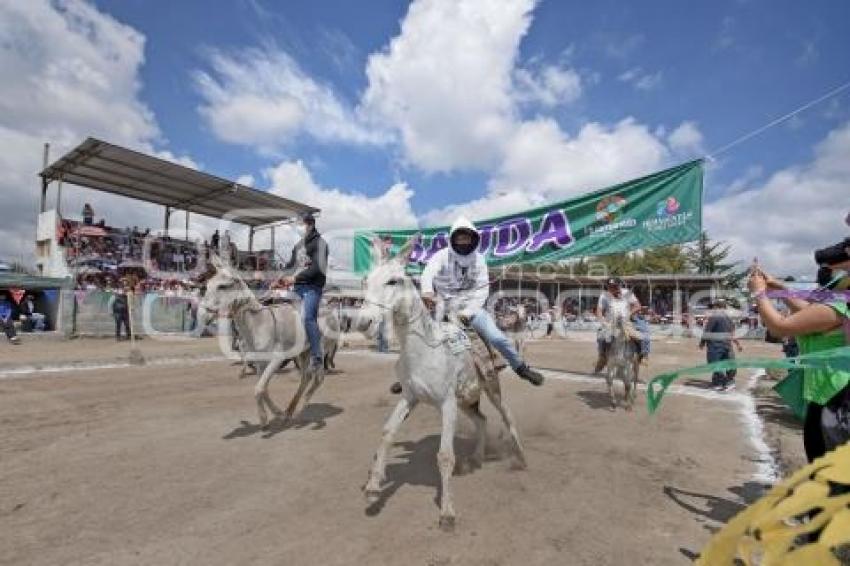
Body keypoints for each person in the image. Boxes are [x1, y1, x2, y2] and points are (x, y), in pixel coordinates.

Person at [749, 236, 850, 462]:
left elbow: (779, 328)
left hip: (834, 396)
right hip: (830, 390)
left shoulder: (840, 304)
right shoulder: (839, 301)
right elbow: (809, 310)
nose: (825, 274)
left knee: (825, 467)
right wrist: (781, 289)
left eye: (829, 268)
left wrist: (759, 294)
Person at [419, 217, 544, 386]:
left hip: (472, 308)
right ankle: (410, 377)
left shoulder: (479, 259)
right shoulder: (441, 256)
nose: (463, 242)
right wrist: (427, 290)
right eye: (459, 238)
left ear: (474, 239)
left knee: (498, 338)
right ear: (453, 239)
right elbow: (428, 273)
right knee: (422, 338)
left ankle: (521, 368)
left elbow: (482, 290)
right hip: (444, 306)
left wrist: (468, 312)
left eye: (467, 238)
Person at [281, 213, 328, 372]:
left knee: (308, 317)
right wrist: (277, 277)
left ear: (310, 224)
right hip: (297, 288)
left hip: (312, 287)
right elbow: (290, 266)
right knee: (281, 313)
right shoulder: (298, 246)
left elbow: (317, 268)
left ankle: (317, 356)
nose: (298, 228)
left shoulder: (321, 244)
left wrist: (295, 278)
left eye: (300, 224)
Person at [593, 277, 650, 373]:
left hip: (628, 320)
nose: (612, 289)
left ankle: (643, 355)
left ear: (619, 286)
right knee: (601, 337)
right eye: (610, 287)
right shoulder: (604, 296)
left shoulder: (627, 293)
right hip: (611, 321)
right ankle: (602, 357)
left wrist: (629, 314)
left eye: (615, 286)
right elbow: (599, 310)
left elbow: (637, 306)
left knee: (645, 337)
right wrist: (602, 321)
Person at [699, 299, 743, 392]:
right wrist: (738, 344)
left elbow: (707, 331)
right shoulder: (729, 318)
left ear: (717, 307)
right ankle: (727, 382)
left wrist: (702, 343)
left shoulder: (714, 317)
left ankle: (722, 382)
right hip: (727, 345)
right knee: (728, 364)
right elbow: (732, 334)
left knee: (714, 364)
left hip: (716, 346)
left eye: (714, 307)